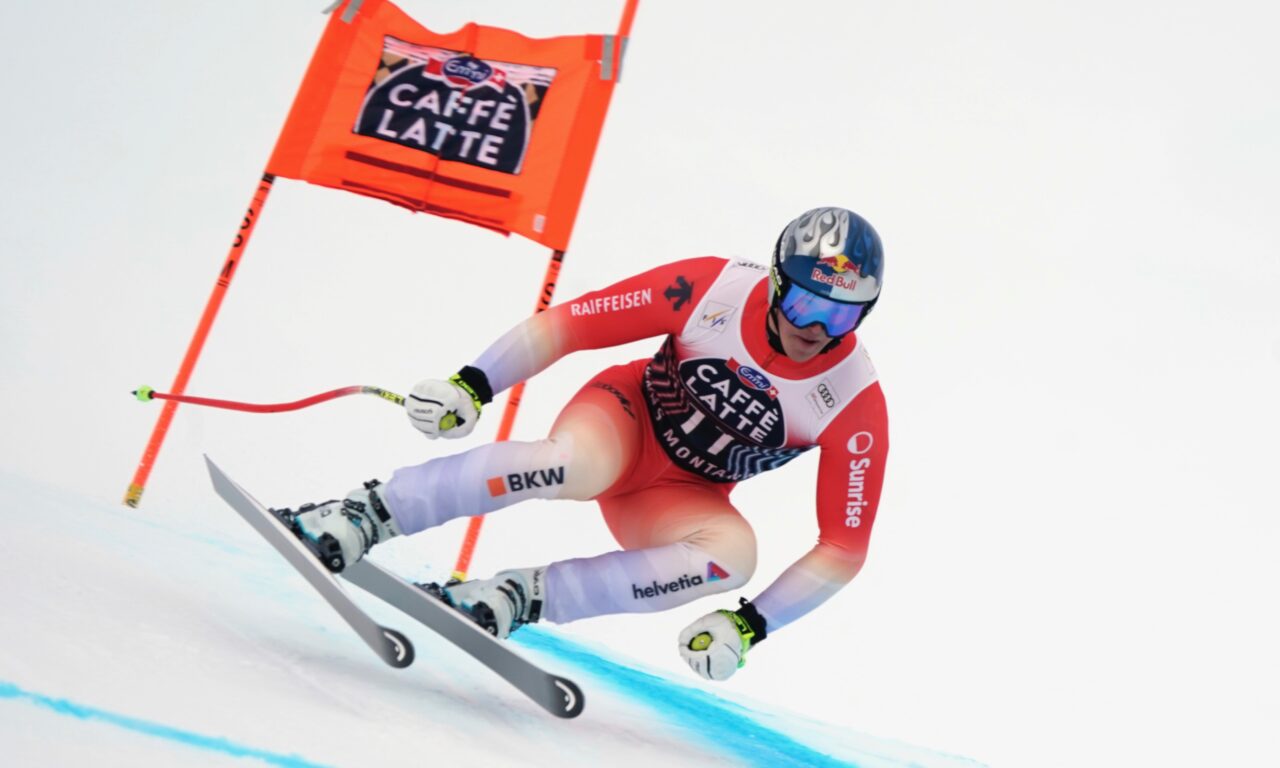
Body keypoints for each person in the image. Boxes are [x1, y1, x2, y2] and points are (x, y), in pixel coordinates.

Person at [286, 206, 889, 682]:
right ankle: (363, 513)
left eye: (842, 317)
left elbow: (843, 548)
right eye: (807, 303)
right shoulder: (714, 288)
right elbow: (571, 322)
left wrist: (750, 626)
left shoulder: (853, 400)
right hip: (624, 420)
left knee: (730, 558)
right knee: (575, 466)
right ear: (779, 282)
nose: (815, 330)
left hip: (679, 494)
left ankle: (519, 596)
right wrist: (473, 384)